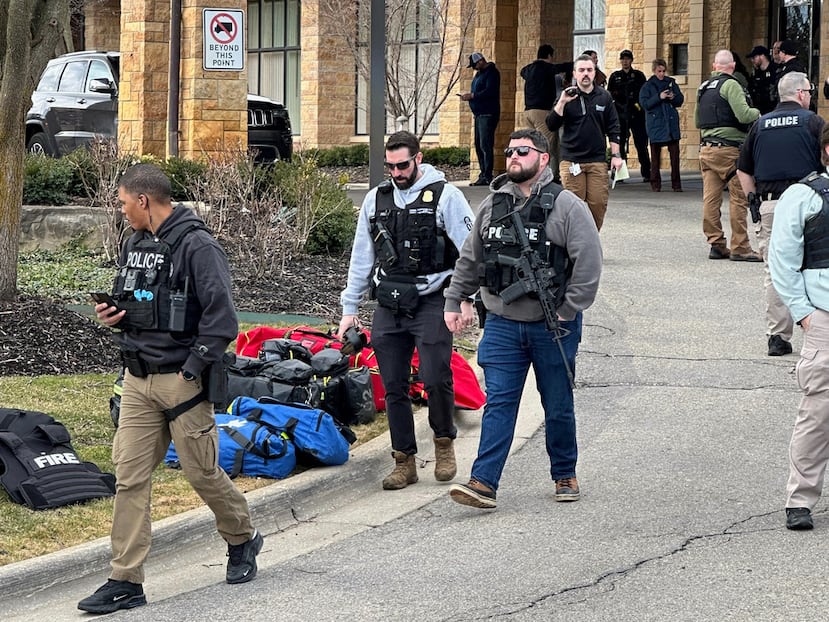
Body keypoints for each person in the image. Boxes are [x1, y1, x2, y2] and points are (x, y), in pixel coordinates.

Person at [79, 163, 262, 614]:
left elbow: (223, 321)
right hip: (138, 380)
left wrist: (190, 371)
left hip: (182, 382)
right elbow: (140, 302)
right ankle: (125, 579)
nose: (121, 212)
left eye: (123, 203)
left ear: (144, 201)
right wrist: (114, 315)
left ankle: (243, 538)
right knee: (129, 479)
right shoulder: (134, 242)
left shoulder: (198, 246)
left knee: (201, 473)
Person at [442, 129, 602, 510]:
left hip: (553, 325)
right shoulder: (493, 203)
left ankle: (565, 471)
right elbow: (471, 257)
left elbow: (589, 264)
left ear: (543, 159)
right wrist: (455, 299)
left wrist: (567, 309)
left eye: (523, 151)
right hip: (501, 323)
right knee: (499, 403)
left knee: (558, 403)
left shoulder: (567, 206)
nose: (513, 156)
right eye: (510, 151)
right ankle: (484, 483)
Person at [336, 130, 474, 491]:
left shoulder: (447, 196)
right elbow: (361, 257)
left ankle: (444, 444)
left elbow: (471, 254)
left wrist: (464, 299)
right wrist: (349, 309)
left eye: (403, 165)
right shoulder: (375, 200)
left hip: (432, 300)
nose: (397, 173)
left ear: (418, 158)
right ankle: (404, 460)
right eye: (391, 166)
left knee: (435, 377)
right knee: (393, 385)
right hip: (389, 303)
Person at [768, 124, 829, 531]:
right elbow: (782, 262)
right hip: (824, 316)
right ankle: (800, 499)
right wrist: (803, 314)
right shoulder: (803, 195)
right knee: (818, 412)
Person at [737, 72, 823, 357]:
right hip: (810, 204)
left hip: (772, 204)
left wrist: (754, 202)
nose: (811, 96)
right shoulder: (812, 122)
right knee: (815, 265)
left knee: (775, 271)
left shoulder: (760, 125)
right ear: (800, 94)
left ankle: (778, 336)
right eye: (810, 91)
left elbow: (743, 169)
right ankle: (818, 330)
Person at [695, 49, 761, 261]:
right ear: (732, 67)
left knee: (710, 200)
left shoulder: (703, 87)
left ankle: (716, 244)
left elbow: (697, 121)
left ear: (715, 66)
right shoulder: (731, 84)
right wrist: (758, 113)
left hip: (707, 150)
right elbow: (743, 115)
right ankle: (740, 247)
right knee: (738, 198)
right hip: (730, 151)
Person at [547, 54, 623, 231]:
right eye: (581, 70)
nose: (586, 74)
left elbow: (614, 127)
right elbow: (551, 125)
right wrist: (562, 102)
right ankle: (574, 246)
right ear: (574, 73)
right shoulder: (566, 96)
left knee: (598, 204)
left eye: (589, 70)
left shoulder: (604, 97)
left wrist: (616, 156)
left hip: (597, 161)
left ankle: (589, 241)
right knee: (574, 207)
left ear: (595, 72)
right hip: (572, 161)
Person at [520, 44, 573, 182]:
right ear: (549, 56)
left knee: (533, 145)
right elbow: (567, 66)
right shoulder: (548, 68)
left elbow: (522, 71)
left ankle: (532, 173)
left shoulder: (528, 69)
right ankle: (547, 176)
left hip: (527, 112)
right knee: (548, 145)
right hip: (542, 111)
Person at [639, 58, 685, 192]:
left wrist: (673, 97)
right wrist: (659, 97)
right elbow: (645, 104)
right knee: (655, 158)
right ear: (654, 71)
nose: (662, 74)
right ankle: (655, 184)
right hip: (656, 124)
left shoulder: (671, 82)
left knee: (675, 157)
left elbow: (680, 100)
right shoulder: (648, 86)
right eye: (659, 71)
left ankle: (676, 184)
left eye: (663, 71)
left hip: (670, 124)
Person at [608, 49, 651, 181]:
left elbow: (644, 94)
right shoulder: (615, 76)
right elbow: (610, 95)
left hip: (636, 114)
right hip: (620, 114)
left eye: (627, 59)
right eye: (623, 59)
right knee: (619, 145)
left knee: (641, 144)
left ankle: (647, 173)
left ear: (631, 60)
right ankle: (619, 175)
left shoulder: (638, 76)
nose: (625, 62)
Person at [460, 52, 501, 186]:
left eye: (475, 65)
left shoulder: (492, 73)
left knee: (485, 144)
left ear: (482, 61)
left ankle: (488, 174)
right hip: (478, 114)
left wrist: (472, 96)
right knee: (478, 144)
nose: (474, 68)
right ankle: (483, 173)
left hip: (488, 113)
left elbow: (490, 92)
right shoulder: (479, 74)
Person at [746, 45, 779, 114]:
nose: (752, 60)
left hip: (773, 109)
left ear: (762, 56)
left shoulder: (775, 70)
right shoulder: (755, 74)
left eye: (754, 57)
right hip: (759, 110)